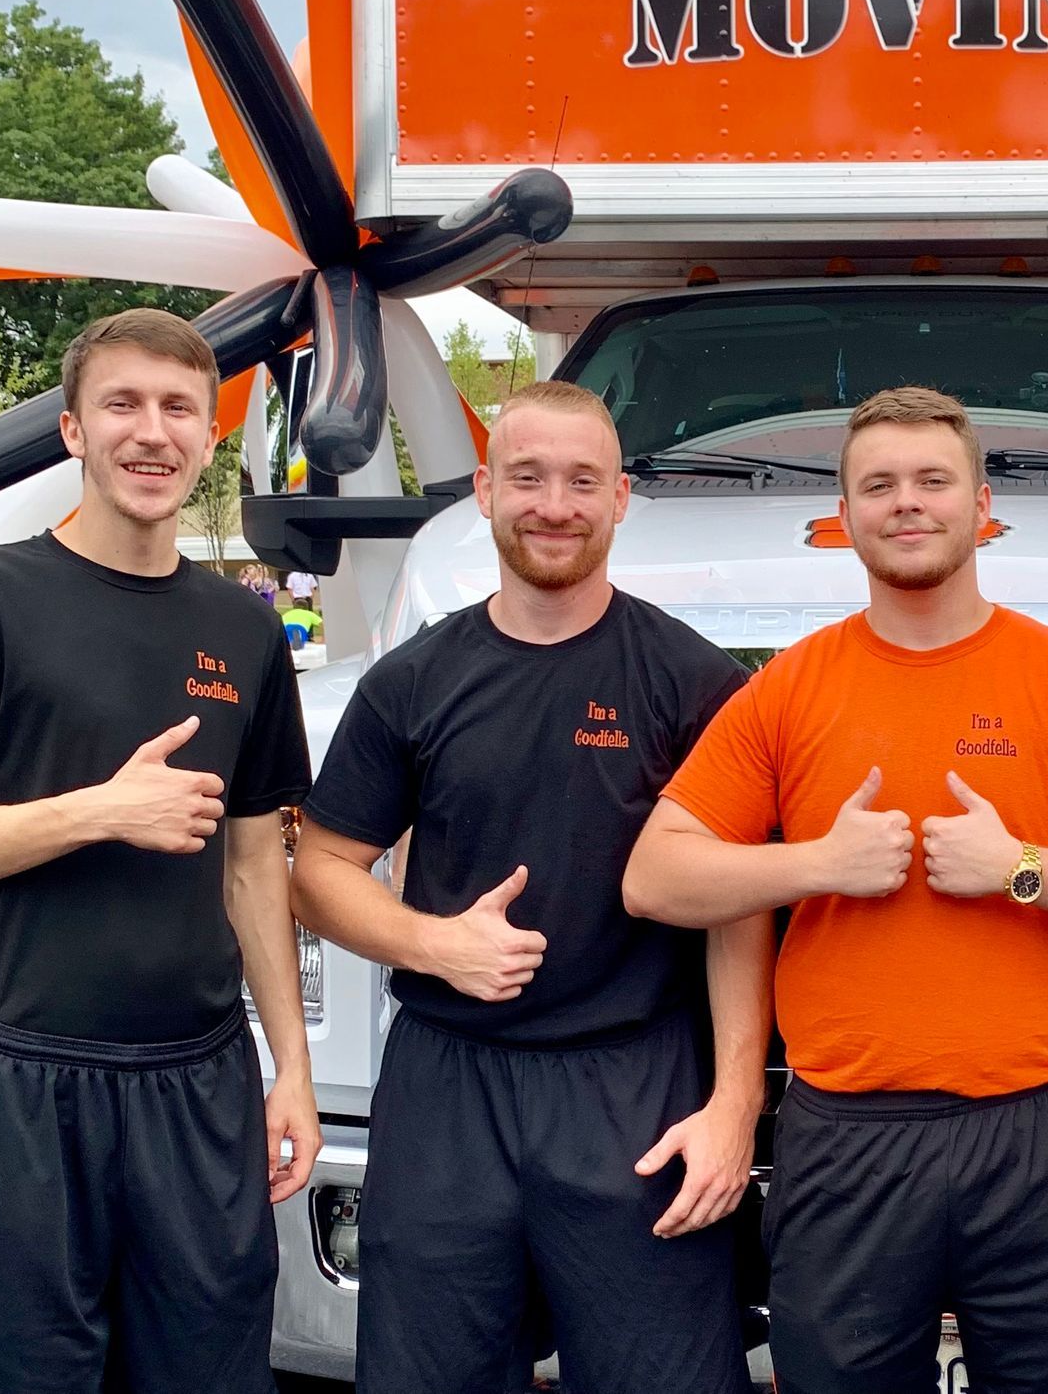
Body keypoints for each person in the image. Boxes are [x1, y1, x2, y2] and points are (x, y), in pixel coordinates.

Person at [624, 385, 1048, 1394]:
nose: (907, 504)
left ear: (982, 507)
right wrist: (817, 865)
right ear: (840, 519)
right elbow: (655, 877)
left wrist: (1021, 869)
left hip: (1034, 1133)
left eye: (933, 481)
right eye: (878, 486)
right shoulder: (792, 688)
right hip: (848, 1138)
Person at [291, 381, 764, 1394]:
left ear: (621, 497)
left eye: (583, 481)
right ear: (484, 491)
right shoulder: (412, 680)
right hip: (448, 1085)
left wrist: (733, 1105)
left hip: (632, 1086)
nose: (556, 504)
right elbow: (320, 872)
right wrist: (434, 943)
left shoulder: (693, 683)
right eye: (529, 478)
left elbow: (738, 909)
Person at [0, 308, 319, 1394]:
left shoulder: (244, 627)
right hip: (28, 1081)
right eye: (123, 405)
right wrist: (100, 811)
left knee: (206, 1369)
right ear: (71, 432)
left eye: (179, 409)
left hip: (197, 1082)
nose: (152, 433)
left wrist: (289, 1065)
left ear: (207, 438)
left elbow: (254, 870)